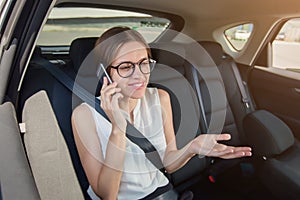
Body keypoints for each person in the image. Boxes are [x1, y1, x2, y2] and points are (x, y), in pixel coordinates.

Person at [71, 26, 252, 200]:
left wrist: (192, 147)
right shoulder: (85, 115)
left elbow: (169, 164)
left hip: (163, 193)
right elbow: (107, 194)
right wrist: (118, 129)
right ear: (104, 72)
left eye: (144, 63)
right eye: (126, 67)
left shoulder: (160, 97)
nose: (139, 75)